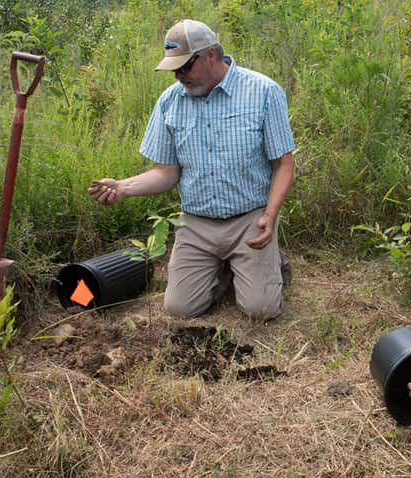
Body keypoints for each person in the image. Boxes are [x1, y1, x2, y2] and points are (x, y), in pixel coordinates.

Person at [89, 19, 295, 321]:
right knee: (179, 308)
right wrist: (123, 187)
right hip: (197, 224)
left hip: (250, 218)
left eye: (185, 67)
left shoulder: (263, 92)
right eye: (174, 69)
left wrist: (270, 215)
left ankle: (268, 263)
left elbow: (284, 164)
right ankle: (227, 268)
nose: (179, 75)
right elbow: (166, 173)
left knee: (260, 310)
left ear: (210, 55)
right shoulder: (170, 101)